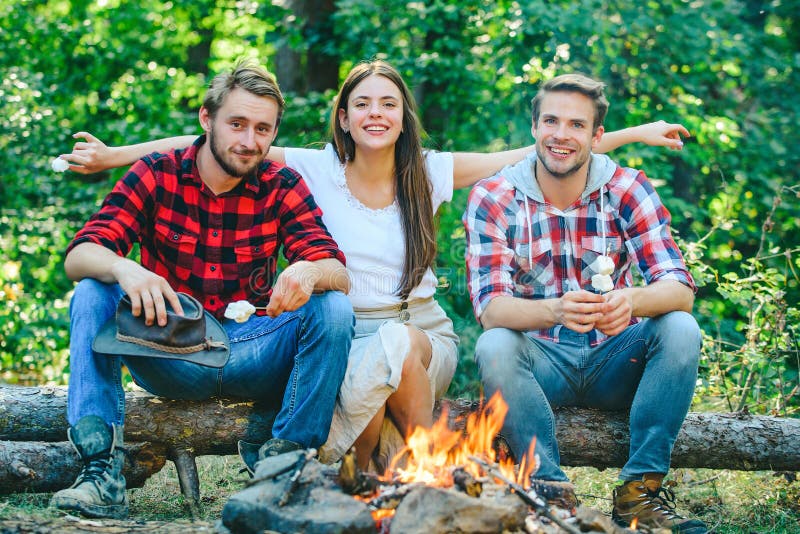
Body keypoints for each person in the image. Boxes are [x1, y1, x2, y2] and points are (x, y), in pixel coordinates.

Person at [58, 60, 690, 472]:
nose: (376, 113)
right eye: (363, 103)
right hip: (338, 335)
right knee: (354, 359)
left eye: (389, 103)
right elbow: (213, 143)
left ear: (402, 116)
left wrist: (632, 135)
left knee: (390, 345)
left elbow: (544, 146)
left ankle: (425, 471)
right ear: (345, 116)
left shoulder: (430, 173)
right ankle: (379, 476)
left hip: (415, 330)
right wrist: (116, 156)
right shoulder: (311, 167)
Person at [49, 59, 354, 519]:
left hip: (255, 348)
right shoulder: (156, 173)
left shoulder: (282, 184)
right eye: (237, 123)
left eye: (262, 129)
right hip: (169, 350)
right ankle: (101, 473)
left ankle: (283, 470)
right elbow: (79, 256)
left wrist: (309, 272)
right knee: (94, 290)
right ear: (206, 119)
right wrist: (124, 269)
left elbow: (337, 269)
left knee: (333, 308)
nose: (249, 141)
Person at [463, 73, 705, 532]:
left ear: (596, 136)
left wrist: (632, 300)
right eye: (551, 121)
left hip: (616, 358)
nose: (560, 134)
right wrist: (556, 309)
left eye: (576, 125)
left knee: (679, 328)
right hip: (541, 363)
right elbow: (492, 308)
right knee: (494, 344)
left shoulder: (628, 189)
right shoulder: (494, 197)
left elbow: (679, 289)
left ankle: (640, 495)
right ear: (534, 127)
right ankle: (550, 496)